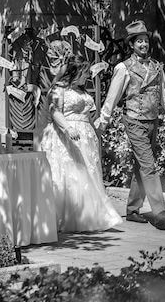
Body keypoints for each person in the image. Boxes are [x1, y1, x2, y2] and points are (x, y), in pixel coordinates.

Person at [95, 20, 165, 231]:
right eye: (139, 41)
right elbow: (112, 97)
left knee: (142, 166)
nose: (143, 45)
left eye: (145, 41)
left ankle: (133, 209)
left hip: (152, 121)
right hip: (134, 120)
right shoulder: (123, 68)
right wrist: (103, 121)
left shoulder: (157, 67)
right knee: (149, 165)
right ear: (132, 45)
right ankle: (159, 212)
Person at [41, 54, 123, 233]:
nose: (88, 76)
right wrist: (68, 128)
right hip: (66, 137)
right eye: (85, 72)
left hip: (86, 138)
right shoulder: (58, 89)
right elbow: (54, 111)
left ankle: (89, 214)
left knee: (88, 175)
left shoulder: (83, 92)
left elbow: (90, 116)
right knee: (72, 175)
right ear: (74, 72)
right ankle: (71, 216)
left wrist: (98, 129)